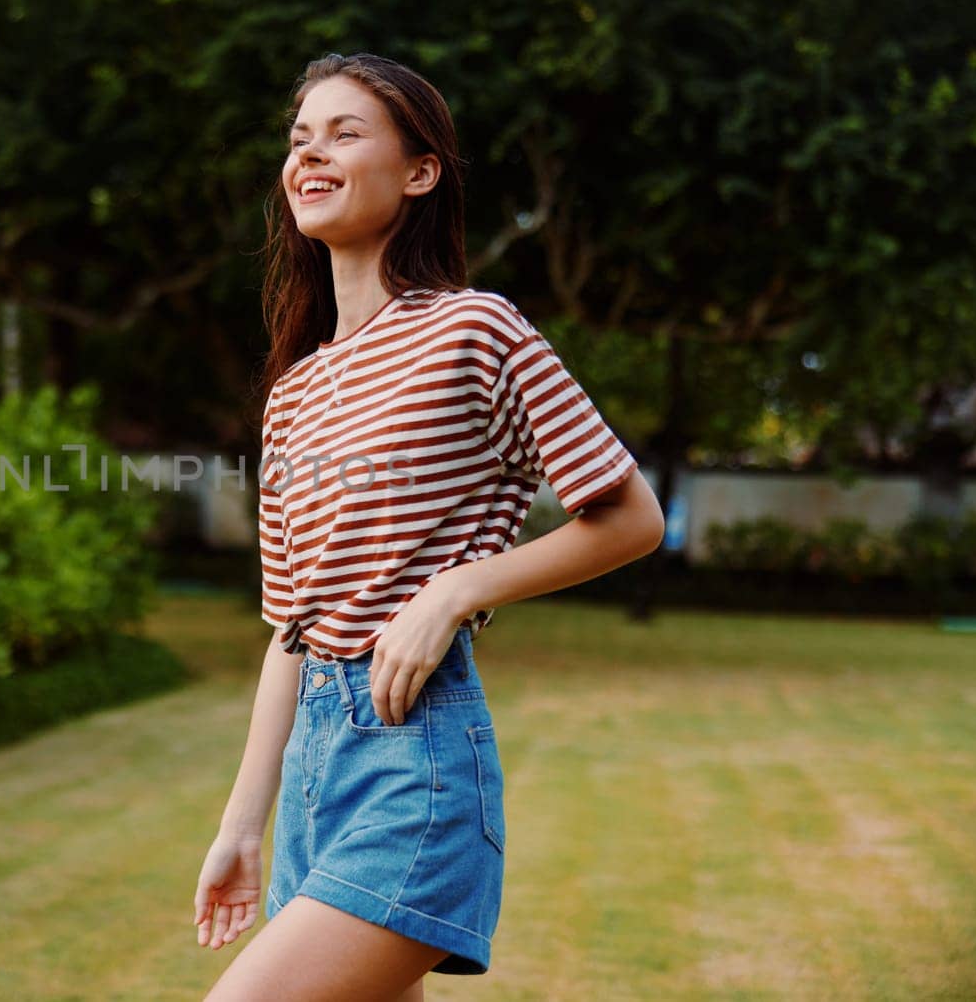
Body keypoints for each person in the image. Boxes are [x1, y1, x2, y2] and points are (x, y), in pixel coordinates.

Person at [193, 53, 665, 1001]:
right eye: (298, 139)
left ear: (420, 171)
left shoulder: (474, 330)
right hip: (314, 780)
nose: (310, 155)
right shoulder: (293, 392)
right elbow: (291, 628)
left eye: (344, 132)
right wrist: (244, 824)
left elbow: (629, 517)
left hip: (416, 760)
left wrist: (454, 591)